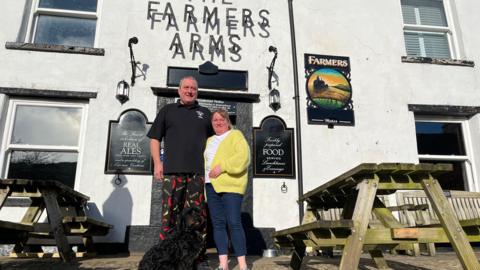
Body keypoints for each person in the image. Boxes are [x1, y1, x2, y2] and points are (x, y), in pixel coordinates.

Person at [147, 76, 212, 254]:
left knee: (197, 216)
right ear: (179, 90)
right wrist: (157, 163)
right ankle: (166, 255)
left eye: (193, 88)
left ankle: (197, 256)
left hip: (197, 174)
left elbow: (215, 141)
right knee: (169, 215)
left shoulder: (205, 113)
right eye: (186, 87)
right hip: (172, 172)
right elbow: (154, 139)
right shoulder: (167, 110)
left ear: (197, 92)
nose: (190, 91)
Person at [204, 109, 250, 270]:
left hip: (231, 185)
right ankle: (223, 265)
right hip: (210, 186)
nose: (218, 122)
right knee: (217, 224)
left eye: (221, 119)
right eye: (215, 120)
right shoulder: (209, 140)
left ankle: (242, 265)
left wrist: (222, 167)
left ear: (227, 121)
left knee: (234, 223)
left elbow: (243, 157)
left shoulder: (235, 135)